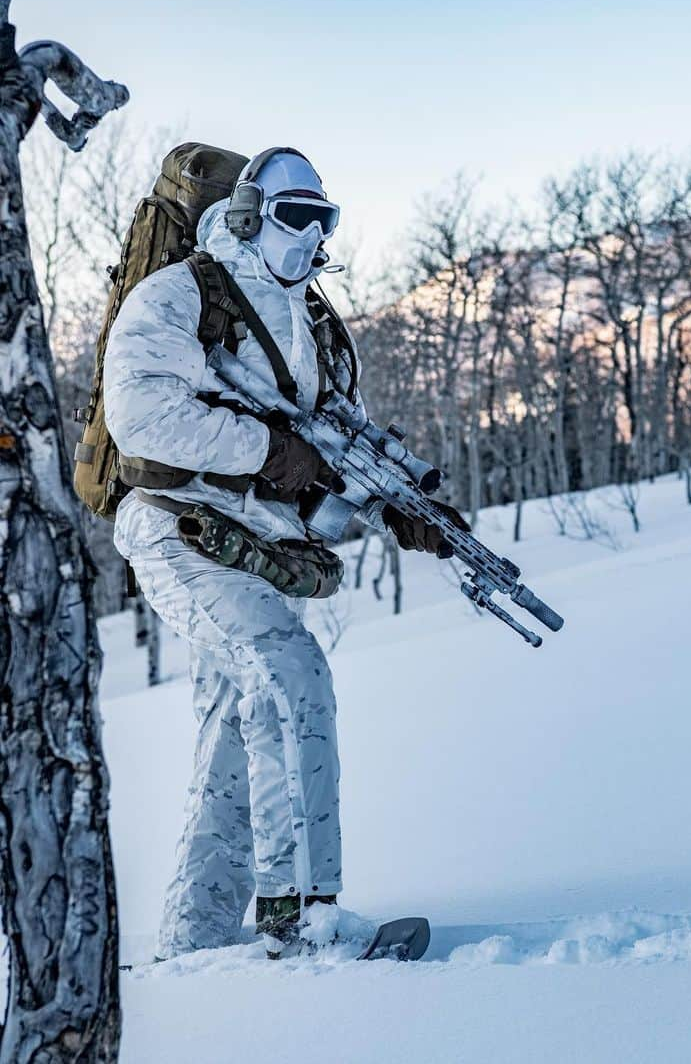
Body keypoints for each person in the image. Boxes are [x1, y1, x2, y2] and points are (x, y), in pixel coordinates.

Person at [104, 148, 456, 959]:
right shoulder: (179, 297)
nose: (312, 235)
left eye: (324, 219)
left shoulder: (315, 326)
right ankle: (301, 915)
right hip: (179, 532)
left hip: (261, 550)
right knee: (291, 672)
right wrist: (264, 449)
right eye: (296, 216)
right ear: (251, 213)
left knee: (237, 732)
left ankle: (194, 945)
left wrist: (403, 507)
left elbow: (337, 443)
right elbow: (140, 418)